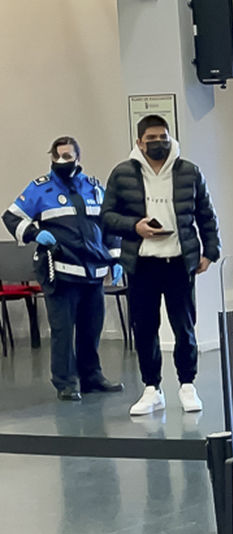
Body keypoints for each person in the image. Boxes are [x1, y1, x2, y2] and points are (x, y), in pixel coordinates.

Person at [102, 114, 221, 416]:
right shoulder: (122, 173)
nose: (158, 143)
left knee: (184, 327)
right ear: (139, 143)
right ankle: (151, 388)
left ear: (171, 138)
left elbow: (206, 215)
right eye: (151, 139)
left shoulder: (189, 171)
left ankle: (187, 385)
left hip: (179, 263)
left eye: (163, 138)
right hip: (142, 264)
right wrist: (135, 226)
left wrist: (211, 252)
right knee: (145, 328)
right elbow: (107, 217)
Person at [3, 136, 123, 401]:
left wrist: (115, 259)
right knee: (63, 331)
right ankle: (66, 383)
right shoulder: (40, 188)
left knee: (91, 329)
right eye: (56, 156)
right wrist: (34, 233)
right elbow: (11, 217)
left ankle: (91, 377)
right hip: (60, 272)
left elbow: (110, 225)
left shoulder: (94, 187)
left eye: (67, 156)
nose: (61, 161)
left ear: (78, 158)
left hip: (92, 272)